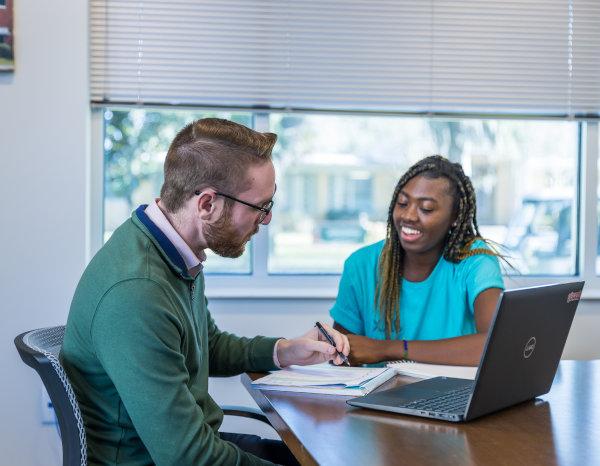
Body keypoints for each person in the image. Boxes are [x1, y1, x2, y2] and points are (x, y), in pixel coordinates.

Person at [61, 118, 350, 466]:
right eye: (261, 207)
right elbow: (189, 458)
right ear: (207, 204)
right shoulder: (138, 293)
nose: (267, 219)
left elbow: (206, 346)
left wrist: (284, 351)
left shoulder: (170, 248)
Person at [330, 155, 504, 367]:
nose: (409, 215)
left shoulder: (473, 260)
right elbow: (342, 356)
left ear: (455, 216)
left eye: (426, 208)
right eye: (402, 203)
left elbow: (497, 343)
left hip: (453, 393)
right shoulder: (361, 265)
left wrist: (386, 349)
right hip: (379, 396)